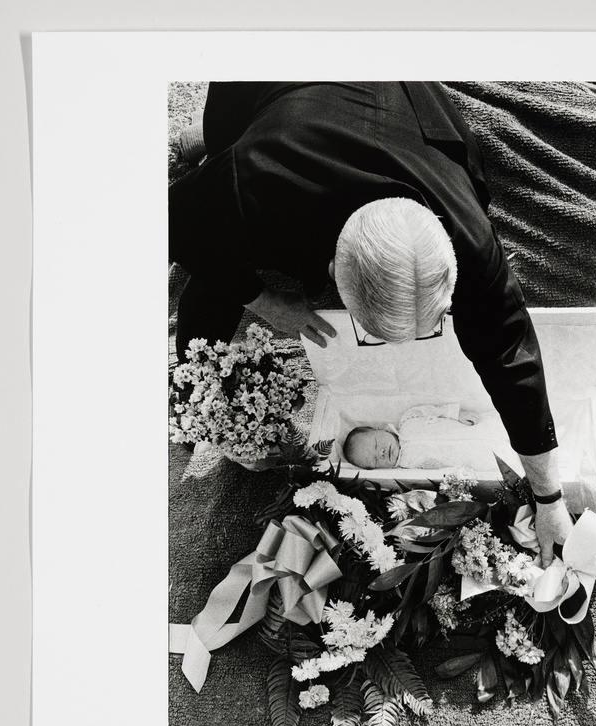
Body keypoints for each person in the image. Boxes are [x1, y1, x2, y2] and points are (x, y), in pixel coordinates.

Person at [168, 81, 572, 563]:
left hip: (397, 96)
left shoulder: (469, 235)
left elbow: (512, 359)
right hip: (273, 82)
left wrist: (550, 497)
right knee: (212, 280)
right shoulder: (254, 180)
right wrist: (265, 299)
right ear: (334, 273)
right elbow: (175, 224)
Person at [342, 406, 505, 472]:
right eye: (376, 460)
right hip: (469, 457)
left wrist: (456, 414)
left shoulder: (408, 420)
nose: (382, 453)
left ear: (379, 429)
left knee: (498, 426)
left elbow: (434, 410)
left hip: (468, 428)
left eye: (377, 444)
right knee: (497, 459)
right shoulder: (407, 467)